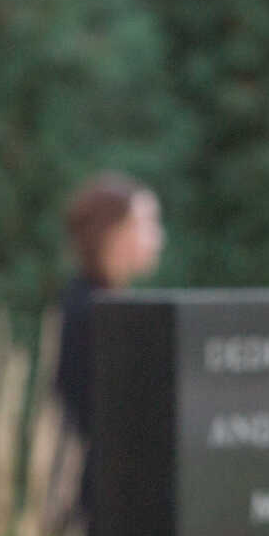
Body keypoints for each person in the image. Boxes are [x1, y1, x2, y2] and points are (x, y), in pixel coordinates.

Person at [54, 170, 164, 454]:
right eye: (147, 224)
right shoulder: (92, 313)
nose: (158, 237)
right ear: (114, 232)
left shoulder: (105, 303)